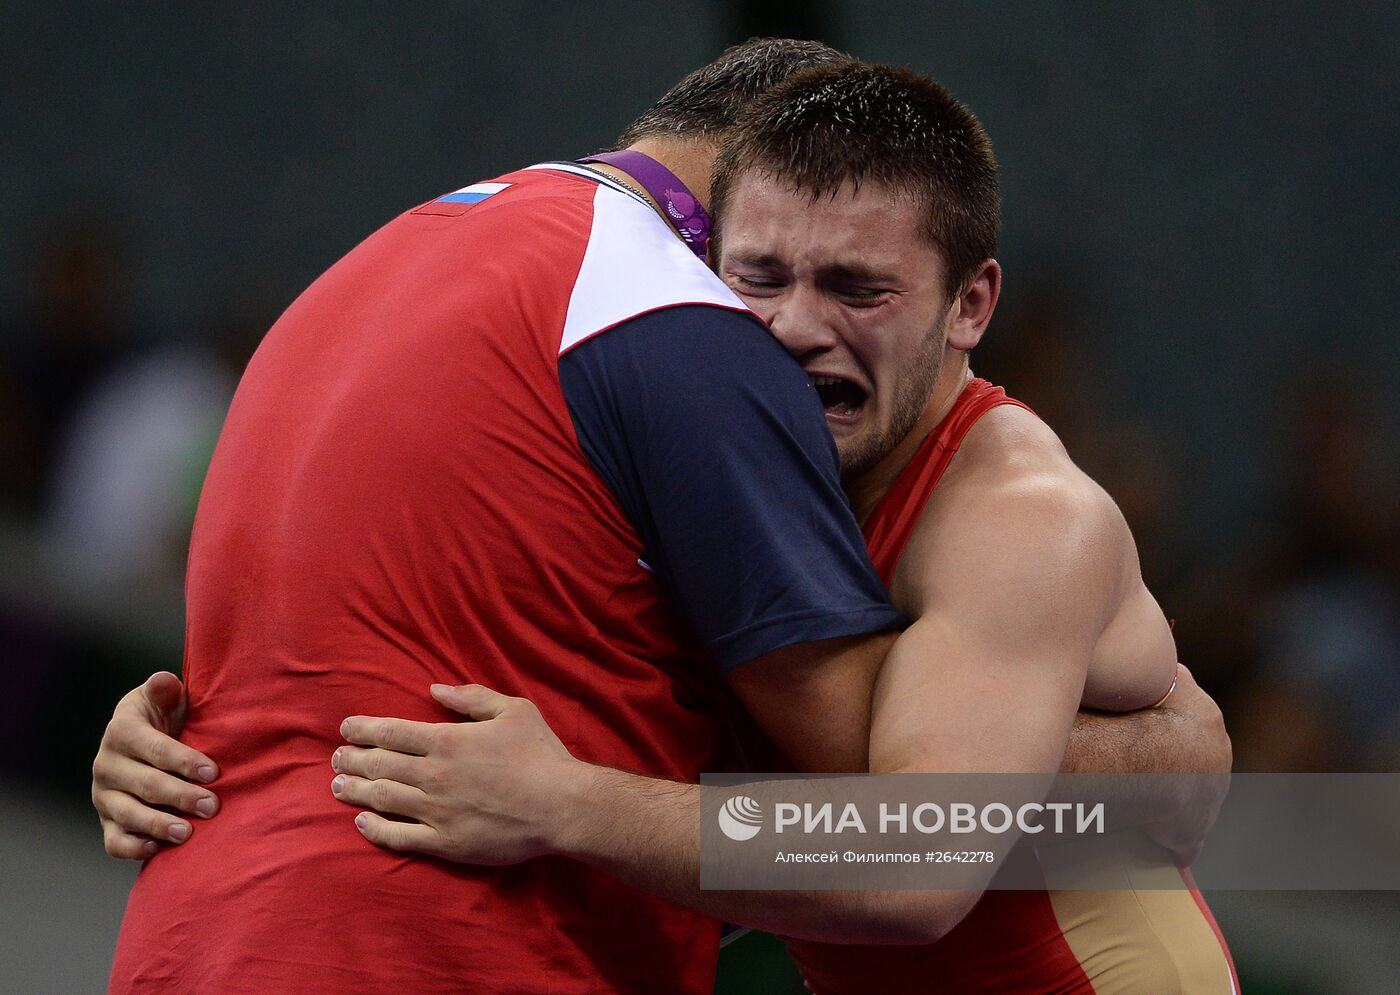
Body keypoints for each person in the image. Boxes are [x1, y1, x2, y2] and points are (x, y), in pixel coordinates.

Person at [92, 46, 1232, 993]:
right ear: (713, 238)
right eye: (758, 274)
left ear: (967, 304)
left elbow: (916, 849)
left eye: (855, 286)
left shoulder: (1017, 510)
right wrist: (203, 731)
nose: (787, 328)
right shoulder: (703, 430)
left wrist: (564, 796)